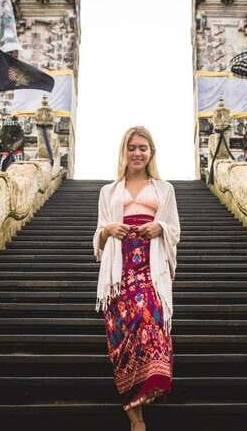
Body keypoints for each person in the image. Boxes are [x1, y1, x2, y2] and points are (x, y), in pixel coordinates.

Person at [93, 126, 180, 431]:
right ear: (124, 152)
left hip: (150, 268)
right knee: (123, 335)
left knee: (150, 320)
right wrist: (108, 230)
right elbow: (99, 236)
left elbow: (174, 229)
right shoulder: (109, 191)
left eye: (143, 147)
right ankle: (135, 418)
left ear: (151, 152)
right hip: (119, 271)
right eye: (131, 148)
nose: (137, 153)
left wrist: (160, 228)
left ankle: (148, 387)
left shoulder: (164, 189)